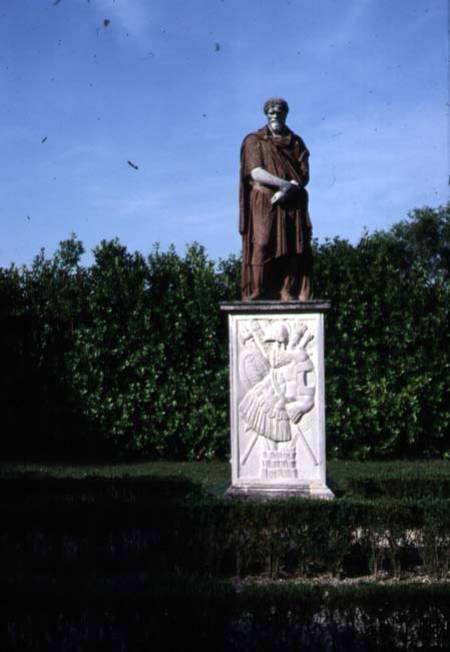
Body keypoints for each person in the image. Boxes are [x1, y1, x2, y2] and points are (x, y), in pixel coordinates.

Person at [239, 98, 313, 300]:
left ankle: (287, 290)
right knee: (262, 242)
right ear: (266, 115)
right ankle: (258, 289)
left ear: (286, 113)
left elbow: (303, 175)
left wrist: (288, 190)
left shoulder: (296, 142)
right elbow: (255, 172)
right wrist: (283, 185)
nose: (275, 115)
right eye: (271, 112)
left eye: (279, 112)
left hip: (291, 201)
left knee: (291, 246)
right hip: (263, 198)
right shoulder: (254, 140)